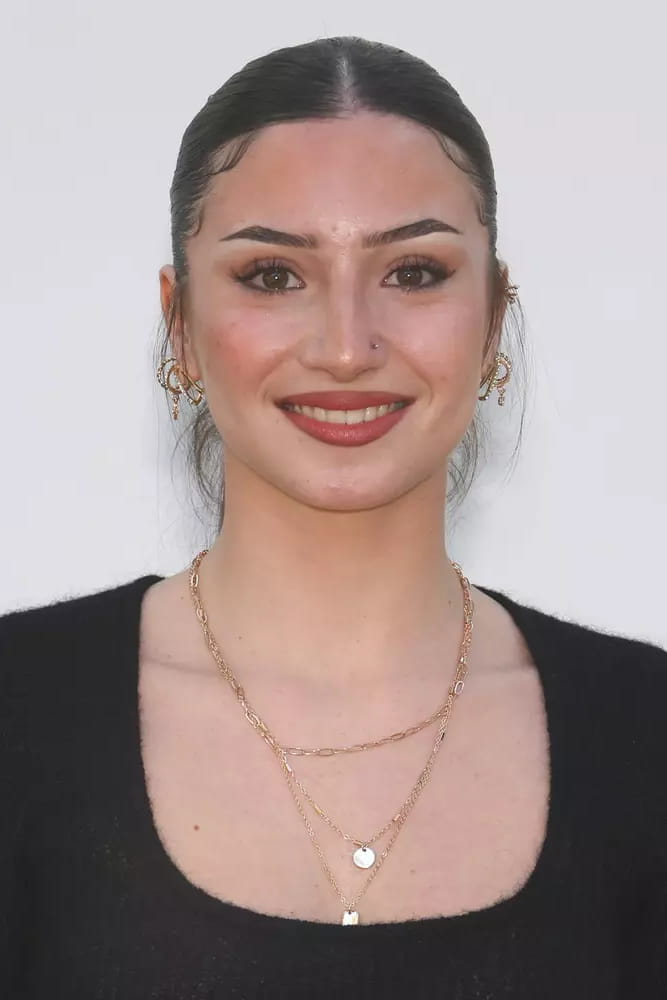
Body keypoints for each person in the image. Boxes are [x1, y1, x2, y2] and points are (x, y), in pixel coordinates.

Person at [1, 34, 665, 1000]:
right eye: (273, 275)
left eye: (414, 272)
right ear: (180, 324)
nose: (347, 348)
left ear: (493, 317)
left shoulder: (646, 735)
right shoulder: (17, 713)